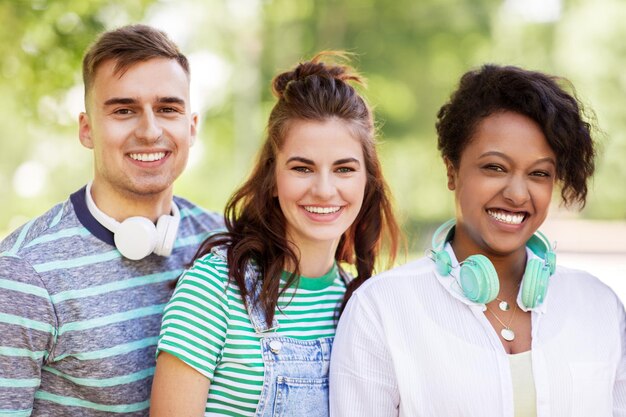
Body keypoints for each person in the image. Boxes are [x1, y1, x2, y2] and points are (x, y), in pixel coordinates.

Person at [330, 64, 626, 416]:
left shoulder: (600, 307)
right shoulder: (381, 310)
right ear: (452, 171)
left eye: (539, 174)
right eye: (495, 167)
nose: (517, 194)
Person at [149, 52, 400, 417]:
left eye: (344, 169)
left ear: (367, 181)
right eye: (302, 168)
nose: (325, 189)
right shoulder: (213, 288)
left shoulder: (361, 307)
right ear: (272, 180)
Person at [0, 25, 223, 416]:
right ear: (87, 129)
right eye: (124, 110)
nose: (150, 131)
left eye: (168, 109)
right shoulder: (23, 274)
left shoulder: (224, 242)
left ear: (192, 126)